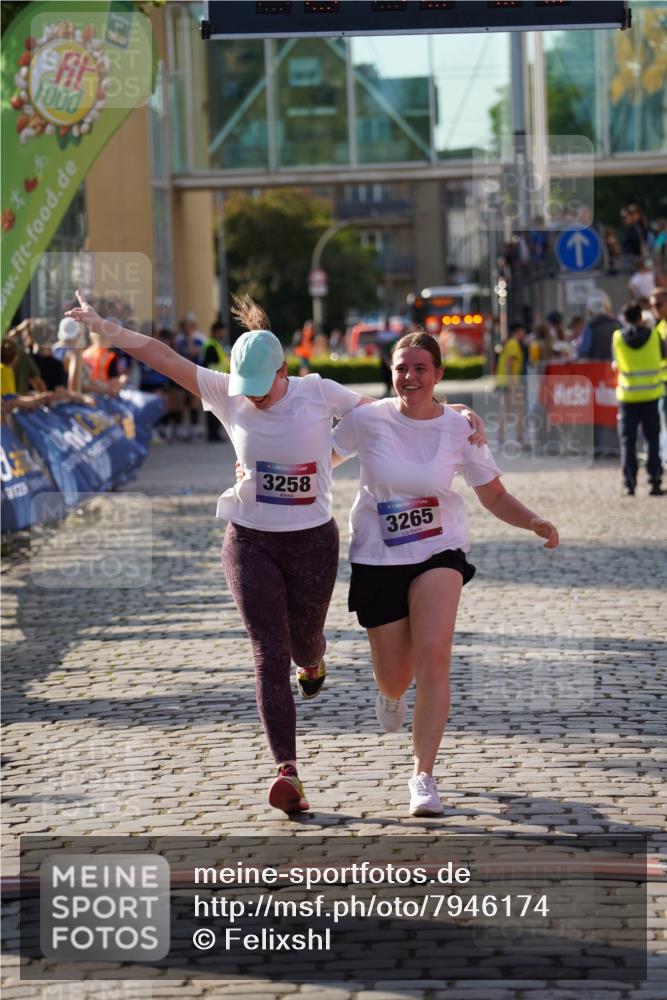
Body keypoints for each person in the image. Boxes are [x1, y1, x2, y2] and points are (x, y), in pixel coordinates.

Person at [63, 288, 488, 815]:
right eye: (250, 391)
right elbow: (161, 355)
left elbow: (395, 412)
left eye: (264, 389)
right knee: (267, 652)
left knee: (304, 643)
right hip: (249, 539)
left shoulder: (317, 392)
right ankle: (287, 772)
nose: (256, 399)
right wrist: (104, 326)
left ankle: (313, 661)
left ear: (284, 370)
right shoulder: (227, 392)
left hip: (311, 542)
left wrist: (453, 413)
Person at [332, 332, 559, 816]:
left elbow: (493, 494)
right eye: (401, 368)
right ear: (390, 373)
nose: (409, 377)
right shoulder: (366, 420)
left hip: (440, 549)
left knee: (434, 655)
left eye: (419, 368)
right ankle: (390, 697)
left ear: (438, 374)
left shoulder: (460, 428)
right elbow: (320, 460)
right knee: (395, 677)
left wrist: (533, 520)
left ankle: (423, 777)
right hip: (378, 556)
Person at [612, 303, 665, 497]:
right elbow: (662, 356)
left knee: (628, 441)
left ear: (625, 318)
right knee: (652, 440)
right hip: (651, 395)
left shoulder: (617, 337)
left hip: (628, 396)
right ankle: (655, 481)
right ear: (641, 317)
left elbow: (615, 361)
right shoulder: (654, 335)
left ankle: (629, 484)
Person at [495, 322, 526, 447]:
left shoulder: (509, 343)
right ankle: (520, 438)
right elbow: (509, 365)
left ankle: (499, 438)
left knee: (505, 410)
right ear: (519, 331)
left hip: (504, 381)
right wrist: (513, 385)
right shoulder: (513, 344)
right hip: (510, 382)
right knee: (519, 409)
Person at [200, 321, 229, 442]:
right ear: (217, 331)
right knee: (213, 409)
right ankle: (213, 435)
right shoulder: (211, 345)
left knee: (216, 408)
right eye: (222, 331)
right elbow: (211, 362)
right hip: (212, 381)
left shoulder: (215, 344)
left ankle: (214, 434)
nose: (224, 333)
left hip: (215, 380)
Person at [649, 288, 667, 462]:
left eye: (658, 304)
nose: (655, 308)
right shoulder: (659, 327)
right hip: (662, 384)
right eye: (652, 305)